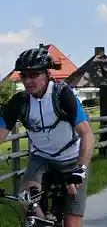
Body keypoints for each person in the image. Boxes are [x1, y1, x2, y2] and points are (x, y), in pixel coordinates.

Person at [0, 47, 94, 227]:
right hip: (41, 158)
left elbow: (86, 133)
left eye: (34, 74)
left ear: (47, 74)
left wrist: (81, 168)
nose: (28, 80)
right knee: (25, 199)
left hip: (71, 159)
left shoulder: (62, 96)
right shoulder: (20, 102)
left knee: (72, 219)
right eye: (23, 75)